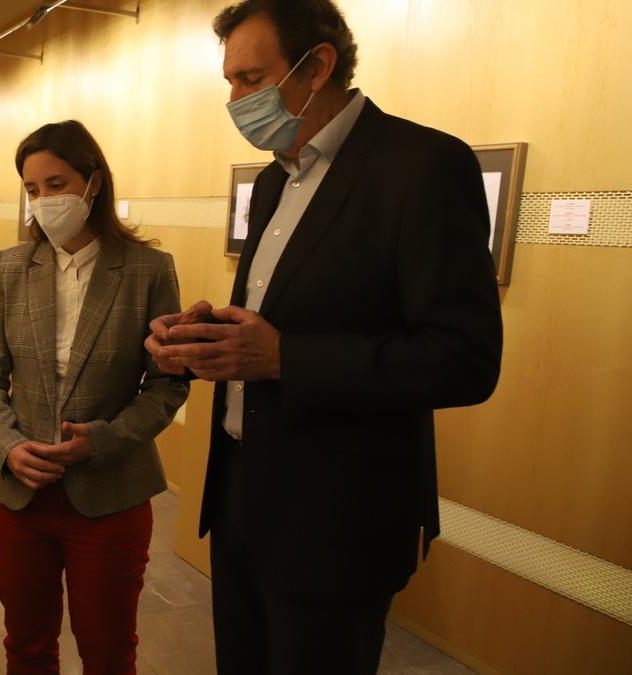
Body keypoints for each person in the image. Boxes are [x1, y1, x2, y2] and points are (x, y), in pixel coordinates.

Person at [145, 2, 503, 672]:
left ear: (318, 66)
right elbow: (282, 317)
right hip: (242, 498)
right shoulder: (277, 179)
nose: (236, 100)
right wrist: (204, 340)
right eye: (229, 81)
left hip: (339, 520)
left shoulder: (422, 166)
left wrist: (285, 358)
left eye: (251, 78)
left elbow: (466, 357)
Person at [0, 120, 190, 675]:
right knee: (27, 642)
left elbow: (168, 383)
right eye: (32, 189)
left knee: (109, 650)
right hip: (17, 494)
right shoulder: (11, 268)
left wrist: (104, 440)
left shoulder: (147, 270)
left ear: (93, 183)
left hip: (110, 496)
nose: (44, 200)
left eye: (57, 183)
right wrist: (7, 445)